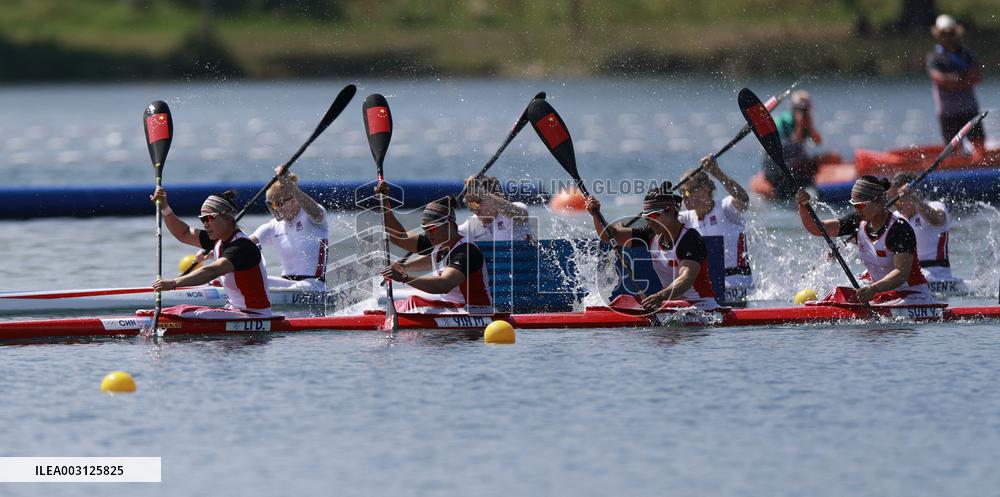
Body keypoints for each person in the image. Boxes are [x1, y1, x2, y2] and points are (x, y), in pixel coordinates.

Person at [795, 176, 934, 305]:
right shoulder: (857, 221)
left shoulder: (899, 229)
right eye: (853, 204)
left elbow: (901, 273)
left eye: (860, 205)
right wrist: (803, 206)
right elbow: (818, 228)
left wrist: (872, 289)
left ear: (878, 202)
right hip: (881, 294)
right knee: (837, 293)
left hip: (912, 297)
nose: (856, 209)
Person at [584, 184, 719, 312]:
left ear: (671, 210)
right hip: (671, 305)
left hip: (702, 306)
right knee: (624, 301)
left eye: (654, 215)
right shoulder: (651, 234)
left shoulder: (690, 239)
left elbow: (685, 280)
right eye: (646, 217)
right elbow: (611, 236)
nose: (650, 222)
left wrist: (660, 296)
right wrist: (595, 214)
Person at [150, 188, 272, 318]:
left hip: (256, 315)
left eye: (209, 218)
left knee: (186, 314)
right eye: (203, 220)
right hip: (236, 311)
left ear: (227, 217)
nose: (205, 224)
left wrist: (173, 283)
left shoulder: (242, 247)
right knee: (179, 310)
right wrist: (165, 207)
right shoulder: (217, 239)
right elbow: (184, 233)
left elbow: (212, 271)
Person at [378, 192, 494, 315]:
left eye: (432, 228)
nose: (428, 233)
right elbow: (398, 237)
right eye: (425, 229)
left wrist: (404, 278)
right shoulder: (437, 242)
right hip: (453, 308)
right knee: (398, 304)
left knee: (413, 303)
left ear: (448, 224)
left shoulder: (466, 251)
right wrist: (384, 201)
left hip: (476, 311)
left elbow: (444, 284)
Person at [677, 155, 753, 304]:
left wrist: (717, 172)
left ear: (705, 190)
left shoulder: (726, 209)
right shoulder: (684, 219)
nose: (684, 197)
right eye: (681, 192)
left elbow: (743, 199)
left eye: (688, 191)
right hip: (706, 289)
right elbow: (656, 225)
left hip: (737, 289)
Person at [887, 172, 967, 295]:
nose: (896, 205)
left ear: (914, 193)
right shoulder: (894, 218)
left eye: (899, 199)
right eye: (892, 200)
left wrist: (914, 199)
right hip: (911, 275)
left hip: (938, 276)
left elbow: (936, 220)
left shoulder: (936, 206)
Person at [250, 168, 328, 291]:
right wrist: (215, 251)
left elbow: (316, 213)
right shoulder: (272, 226)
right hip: (286, 284)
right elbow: (245, 244)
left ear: (293, 200)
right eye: (269, 204)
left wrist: (291, 187)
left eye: (277, 204)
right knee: (253, 281)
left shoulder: (311, 217)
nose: (273, 209)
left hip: (314, 285)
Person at [926, 14, 986, 156]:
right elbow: (939, 79)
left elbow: (977, 76)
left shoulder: (967, 54)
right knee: (953, 152)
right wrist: (963, 80)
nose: (948, 37)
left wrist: (953, 81)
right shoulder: (934, 57)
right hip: (948, 112)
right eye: (944, 34)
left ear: (955, 34)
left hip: (969, 109)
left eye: (950, 33)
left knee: (980, 149)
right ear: (939, 35)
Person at [763, 90, 825, 201]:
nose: (803, 112)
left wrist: (809, 127)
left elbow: (818, 142)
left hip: (796, 162)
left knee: (833, 156)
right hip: (780, 164)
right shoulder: (782, 121)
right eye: (800, 109)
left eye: (806, 109)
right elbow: (790, 147)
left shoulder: (807, 120)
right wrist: (799, 127)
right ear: (793, 108)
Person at [458, 175, 533, 243]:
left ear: (494, 196)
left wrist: (481, 192)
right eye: (470, 205)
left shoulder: (515, 211)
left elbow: (523, 216)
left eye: (477, 203)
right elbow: (449, 234)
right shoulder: (472, 224)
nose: (473, 210)